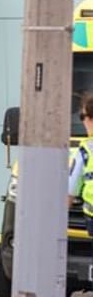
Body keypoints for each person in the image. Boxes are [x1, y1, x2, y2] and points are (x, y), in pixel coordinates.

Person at [67, 94, 93, 241]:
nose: (83, 121)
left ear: (90, 118)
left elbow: (71, 187)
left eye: (82, 116)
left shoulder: (86, 149)